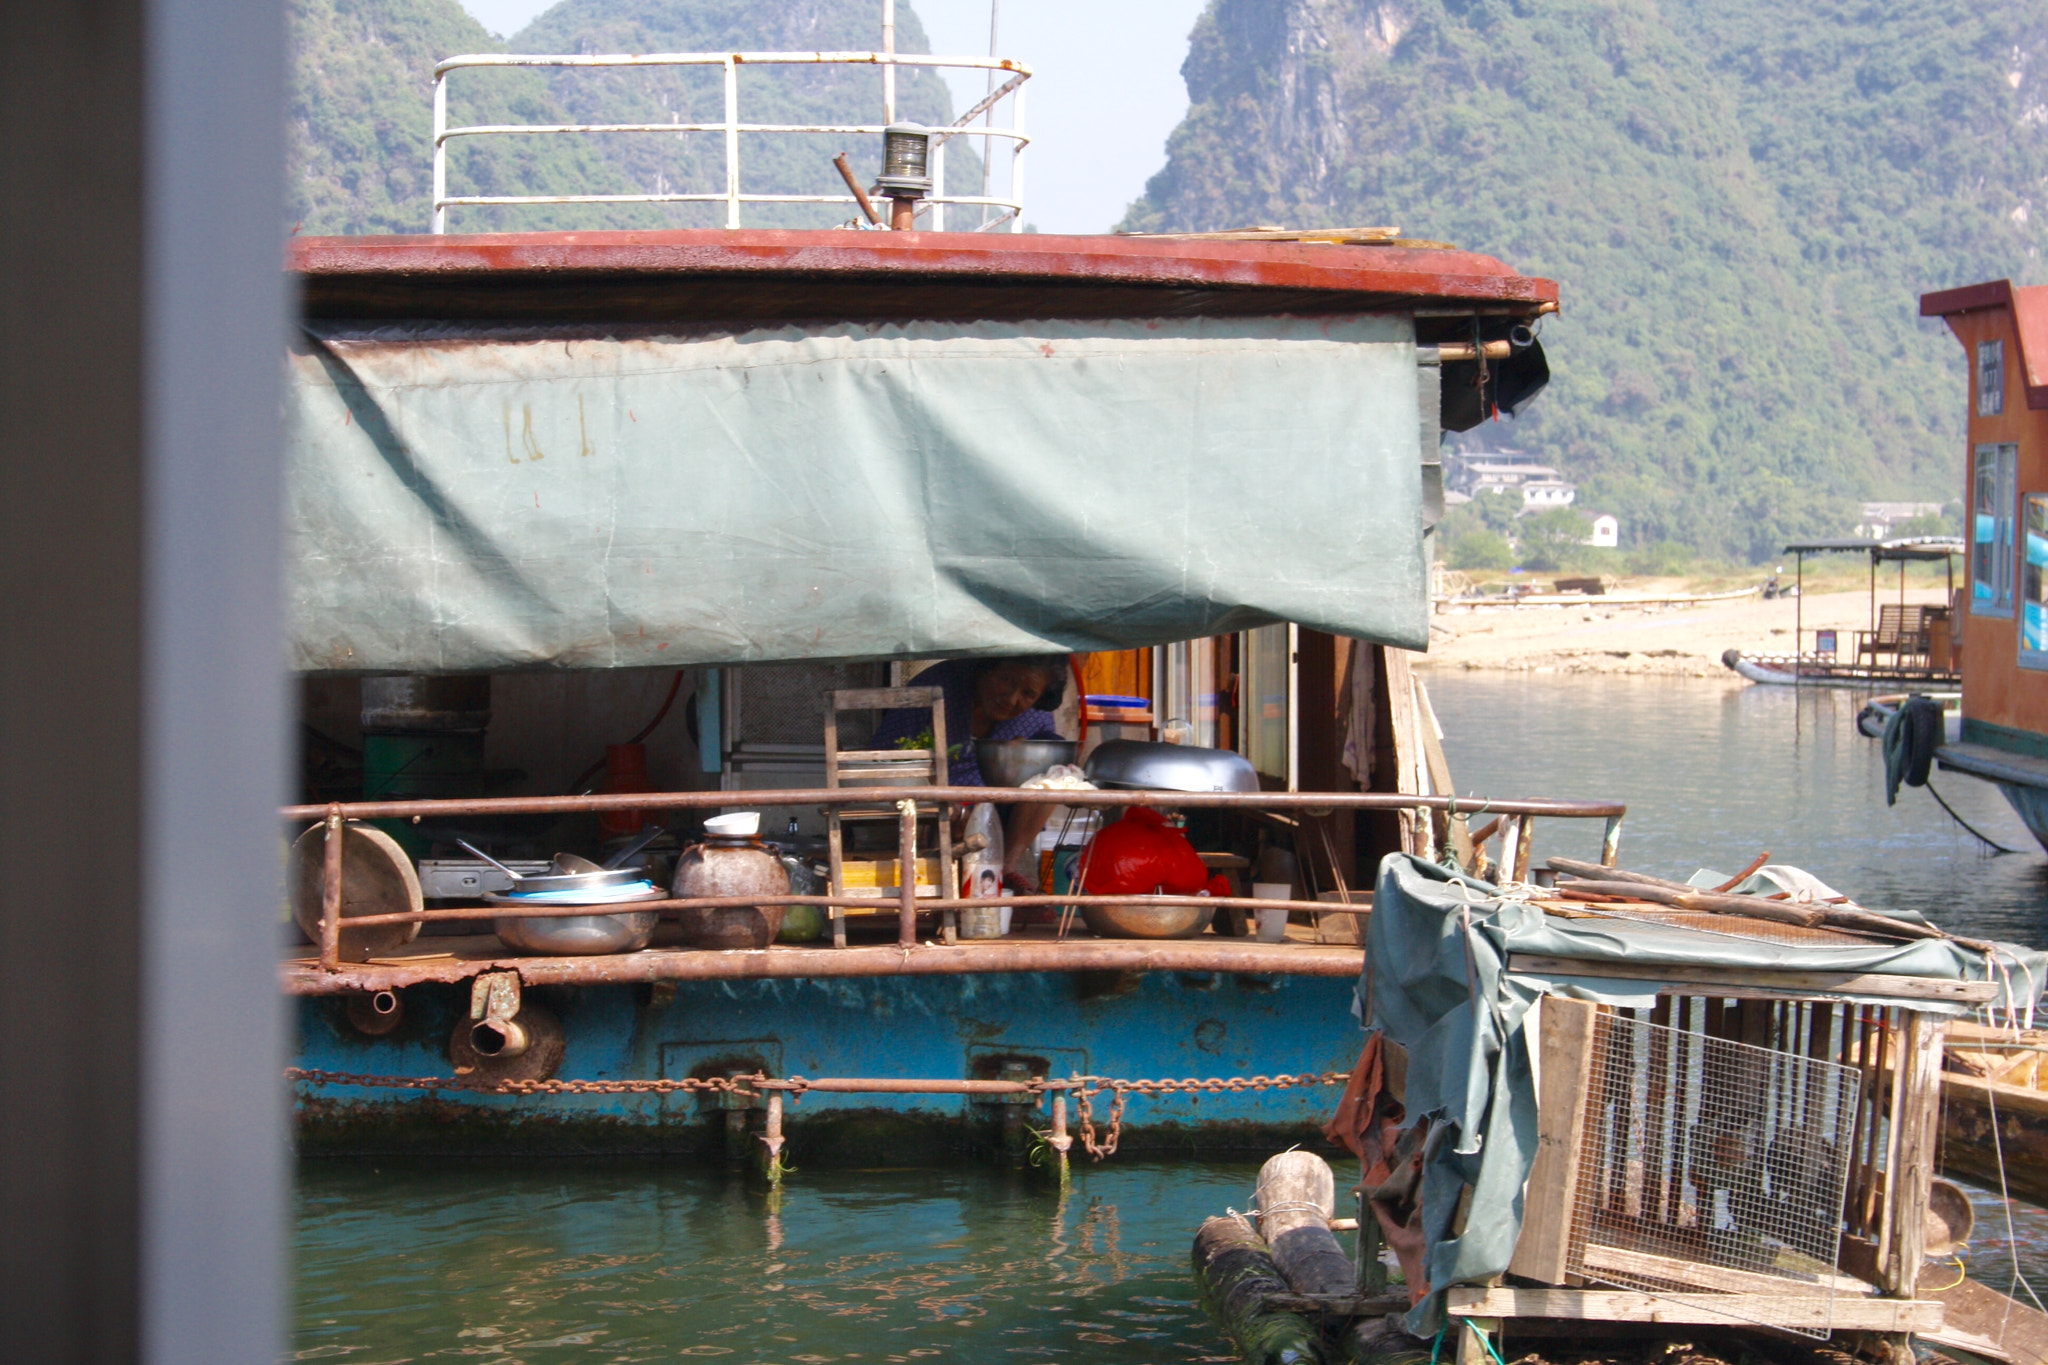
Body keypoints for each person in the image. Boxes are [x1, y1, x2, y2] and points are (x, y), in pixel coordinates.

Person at [873, 655, 1073, 887]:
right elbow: (885, 761)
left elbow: (1048, 756)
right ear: (986, 669)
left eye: (1027, 694)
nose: (1011, 698)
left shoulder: (1036, 714)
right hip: (931, 806)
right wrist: (946, 804)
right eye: (1007, 680)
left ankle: (1003, 874)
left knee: (1052, 777)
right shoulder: (934, 688)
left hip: (1000, 810)